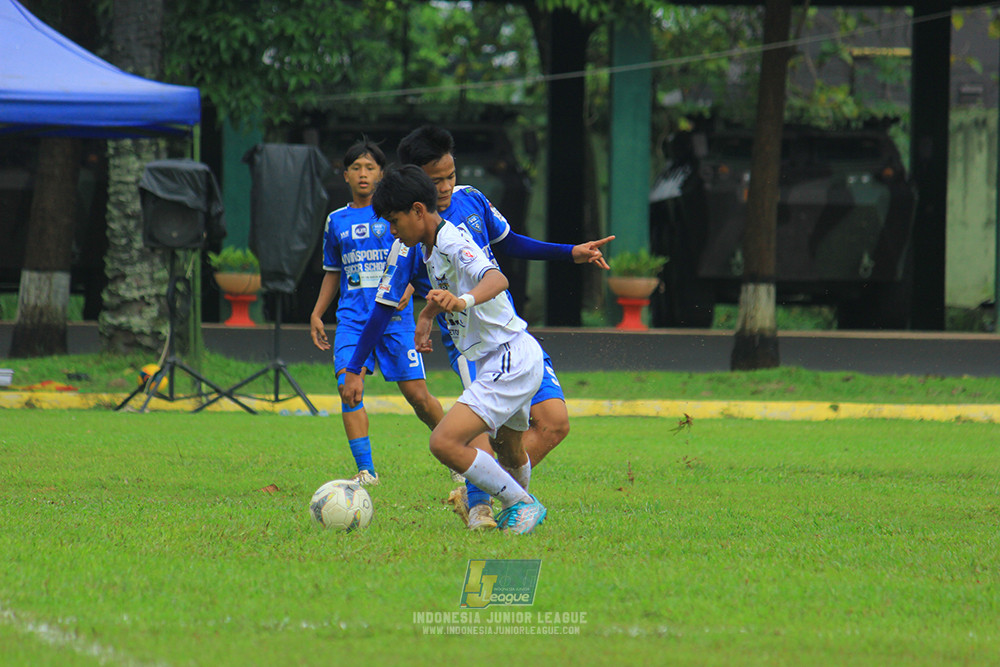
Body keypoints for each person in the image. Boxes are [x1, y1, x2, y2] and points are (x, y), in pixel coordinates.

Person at [342, 125, 612, 530]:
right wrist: (422, 320)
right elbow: (388, 306)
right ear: (418, 185)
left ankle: (512, 500)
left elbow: (502, 258)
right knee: (495, 441)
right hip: (479, 348)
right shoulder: (412, 242)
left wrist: (567, 252)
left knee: (538, 426)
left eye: (451, 176)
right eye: (437, 180)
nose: (447, 186)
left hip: (505, 343)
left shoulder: (464, 214)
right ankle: (489, 505)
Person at [372, 164, 547, 534]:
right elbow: (444, 291)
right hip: (507, 355)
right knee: (510, 450)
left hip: (507, 357)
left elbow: (496, 278)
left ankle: (522, 503)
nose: (392, 231)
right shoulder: (428, 248)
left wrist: (463, 301)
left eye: (394, 221)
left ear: (418, 210)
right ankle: (516, 513)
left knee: (445, 442)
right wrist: (427, 316)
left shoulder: (453, 241)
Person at [309, 139, 443, 486]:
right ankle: (366, 471)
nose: (363, 174)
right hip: (354, 318)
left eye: (370, 167)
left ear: (381, 174)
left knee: (417, 396)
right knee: (347, 387)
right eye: (357, 168)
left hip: (396, 321)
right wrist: (317, 313)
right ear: (346, 176)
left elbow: (416, 262)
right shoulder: (336, 221)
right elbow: (333, 271)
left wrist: (410, 291)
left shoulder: (394, 216)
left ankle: (460, 454)